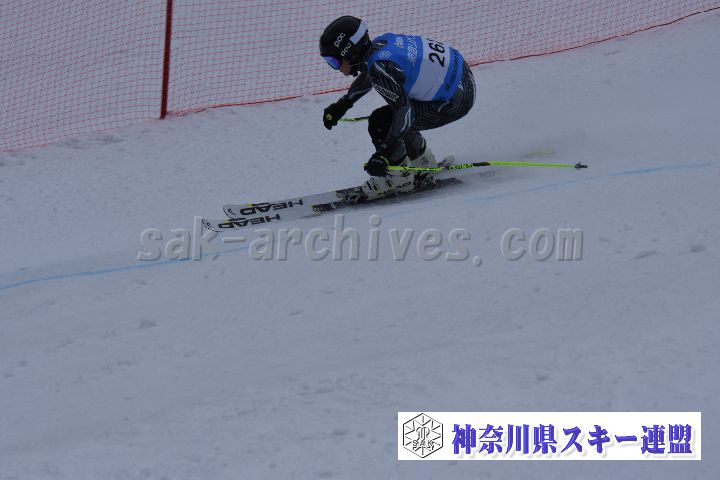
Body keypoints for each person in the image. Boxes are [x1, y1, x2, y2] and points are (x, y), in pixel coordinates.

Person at [319, 16, 475, 200]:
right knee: (392, 117)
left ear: (350, 53)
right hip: (461, 81)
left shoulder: (380, 67)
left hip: (455, 101)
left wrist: (385, 153)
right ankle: (423, 163)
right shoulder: (381, 44)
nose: (336, 68)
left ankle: (399, 178)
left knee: (382, 123)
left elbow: (404, 111)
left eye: (334, 61)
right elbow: (371, 73)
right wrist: (343, 104)